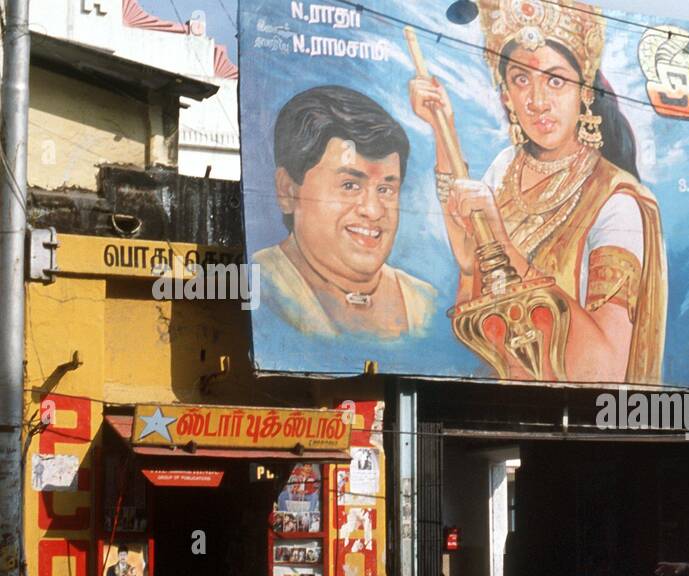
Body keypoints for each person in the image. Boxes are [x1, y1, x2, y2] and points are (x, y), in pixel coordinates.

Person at [409, 0, 667, 383]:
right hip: (503, 392)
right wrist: (441, 127)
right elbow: (469, 256)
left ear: (584, 91)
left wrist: (504, 243)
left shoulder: (616, 202)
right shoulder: (506, 166)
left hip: (579, 418)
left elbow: (605, 368)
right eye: (521, 79)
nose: (538, 101)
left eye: (556, 79)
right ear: (506, 96)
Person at [254, 85, 436, 339]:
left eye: (385, 189)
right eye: (350, 185)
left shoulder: (426, 305)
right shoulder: (260, 288)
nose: (373, 211)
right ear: (288, 191)